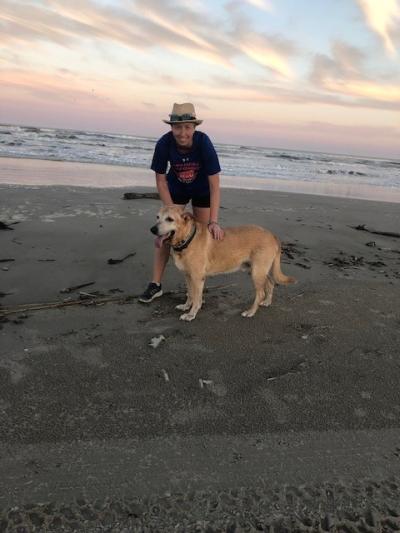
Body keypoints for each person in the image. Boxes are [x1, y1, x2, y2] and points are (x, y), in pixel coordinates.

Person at [139, 102, 224, 303]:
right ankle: (156, 284)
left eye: (187, 127)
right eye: (178, 127)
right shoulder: (163, 144)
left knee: (201, 235)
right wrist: (172, 211)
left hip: (202, 188)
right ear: (171, 127)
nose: (182, 132)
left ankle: (197, 278)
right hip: (176, 187)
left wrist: (214, 221)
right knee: (166, 233)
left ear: (194, 127)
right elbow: (160, 180)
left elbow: (215, 184)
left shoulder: (203, 142)